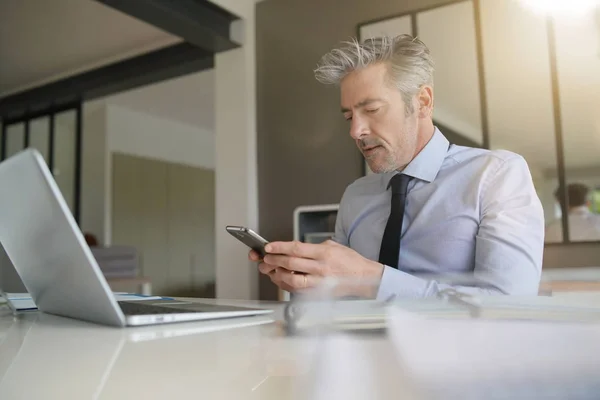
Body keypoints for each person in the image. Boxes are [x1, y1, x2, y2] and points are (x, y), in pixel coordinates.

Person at [250, 35, 544, 299]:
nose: (356, 131)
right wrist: (307, 283)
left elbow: (509, 308)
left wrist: (368, 278)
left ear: (423, 102)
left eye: (372, 110)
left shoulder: (496, 175)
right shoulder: (356, 195)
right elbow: (339, 298)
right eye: (348, 117)